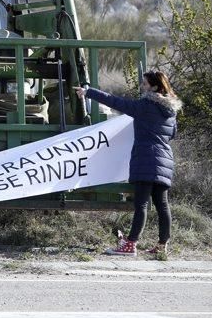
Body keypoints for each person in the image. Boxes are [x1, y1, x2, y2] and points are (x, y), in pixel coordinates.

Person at [75, 71, 182, 257]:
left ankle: (130, 244)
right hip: (164, 159)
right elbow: (172, 135)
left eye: (146, 84)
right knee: (162, 205)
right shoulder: (171, 111)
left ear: (155, 87)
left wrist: (89, 92)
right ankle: (162, 246)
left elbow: (116, 102)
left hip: (145, 158)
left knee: (140, 204)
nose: (143, 86)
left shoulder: (145, 105)